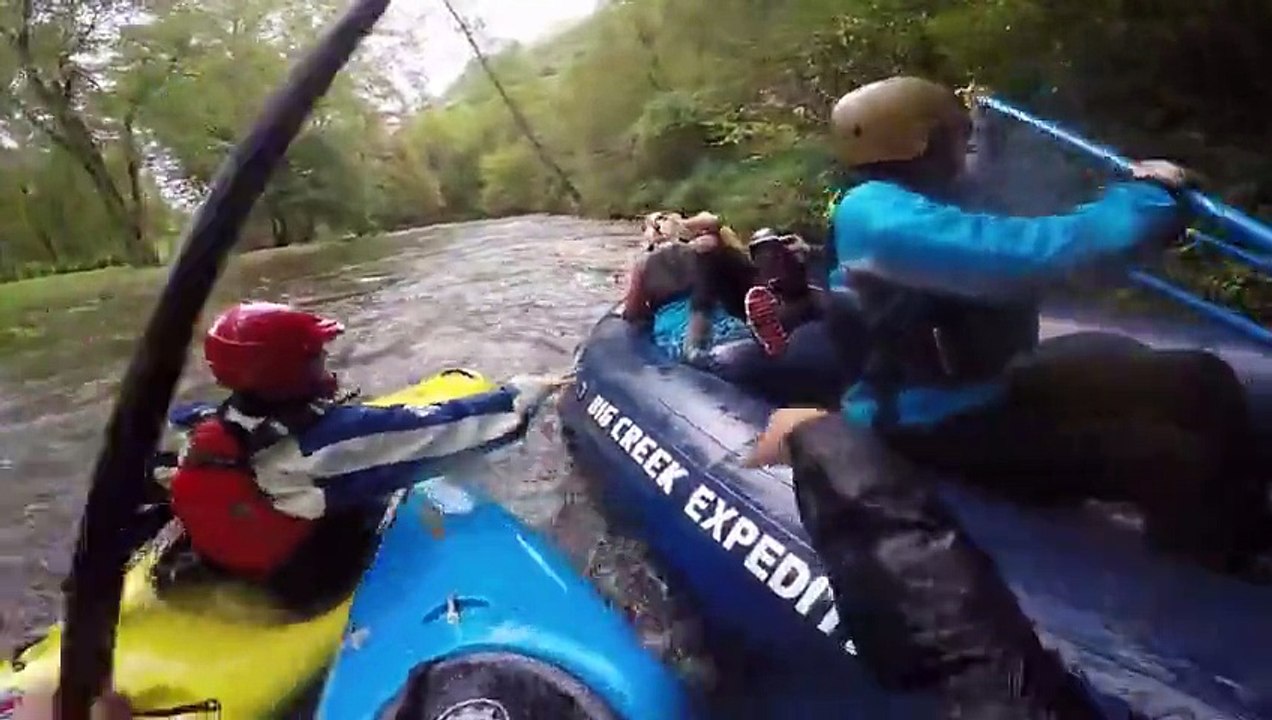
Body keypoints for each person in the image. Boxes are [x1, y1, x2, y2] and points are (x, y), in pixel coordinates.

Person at [752, 75, 1271, 578]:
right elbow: (1025, 255)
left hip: (989, 390)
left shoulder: (933, 196)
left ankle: (1249, 527)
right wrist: (1146, 199)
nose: (966, 144)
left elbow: (1013, 207)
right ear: (924, 142)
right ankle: (1212, 573)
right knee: (1166, 457)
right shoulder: (875, 214)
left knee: (1199, 377)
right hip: (924, 424)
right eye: (957, 135)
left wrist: (1000, 138)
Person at [150, 301, 562, 605]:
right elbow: (450, 431)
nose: (325, 360)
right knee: (385, 485)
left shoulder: (205, 427)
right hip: (299, 583)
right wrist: (519, 396)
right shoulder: (322, 443)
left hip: (228, 563)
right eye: (316, 355)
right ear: (288, 369)